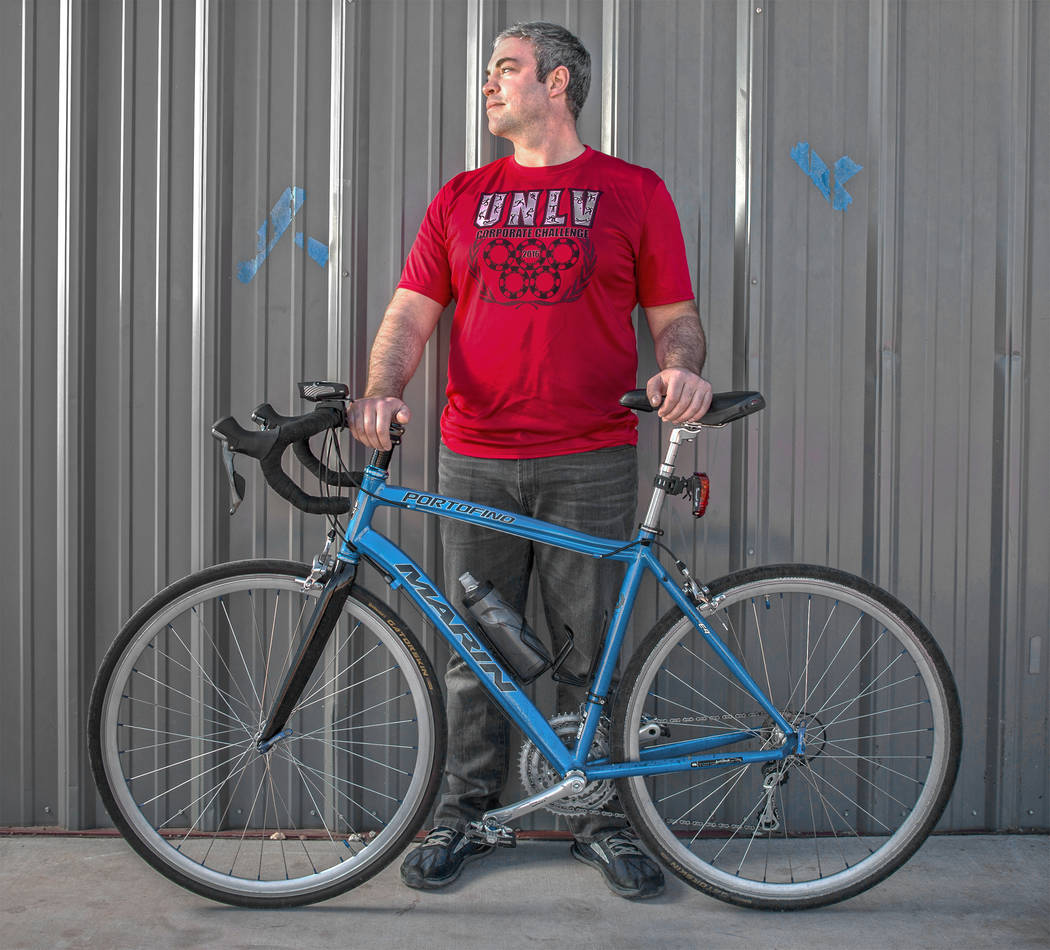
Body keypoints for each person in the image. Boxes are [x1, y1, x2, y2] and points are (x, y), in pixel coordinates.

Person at [348, 21, 712, 900]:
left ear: (557, 82)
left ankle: (600, 820)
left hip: (591, 457)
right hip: (474, 458)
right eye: (490, 71)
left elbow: (674, 317)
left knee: (590, 653)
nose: (488, 83)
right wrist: (382, 390)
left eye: (504, 68)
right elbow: (410, 313)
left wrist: (681, 370)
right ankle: (464, 815)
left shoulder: (632, 191)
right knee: (473, 654)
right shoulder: (461, 197)